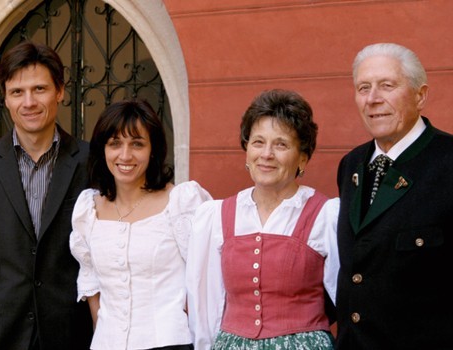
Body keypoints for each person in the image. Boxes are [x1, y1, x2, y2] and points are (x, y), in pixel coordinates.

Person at [186, 89, 340, 349]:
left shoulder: (325, 214)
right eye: (258, 142)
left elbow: (345, 297)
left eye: (281, 144)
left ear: (302, 157)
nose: (266, 154)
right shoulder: (217, 216)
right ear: (247, 149)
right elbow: (207, 303)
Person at [0, 41, 93, 349]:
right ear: (6, 99)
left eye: (39, 89)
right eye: (17, 92)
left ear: (60, 92)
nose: (29, 102)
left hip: (68, 333)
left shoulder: (91, 162)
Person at [335, 42, 453, 349]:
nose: (373, 99)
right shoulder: (351, 165)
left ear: (420, 95)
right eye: (363, 88)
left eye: (387, 86)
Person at [70, 98, 212, 350]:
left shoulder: (180, 203)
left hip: (170, 342)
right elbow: (90, 277)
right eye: (115, 143)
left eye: (137, 144)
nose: (125, 155)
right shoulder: (88, 209)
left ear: (153, 149)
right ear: (103, 150)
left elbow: (207, 279)